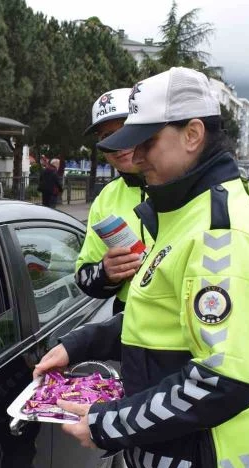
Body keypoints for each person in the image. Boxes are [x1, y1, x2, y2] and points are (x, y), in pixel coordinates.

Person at [34, 67, 249, 468]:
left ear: (192, 135)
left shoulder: (220, 234)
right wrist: (83, 343)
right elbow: (162, 314)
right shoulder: (180, 213)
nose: (132, 155)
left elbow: (223, 380)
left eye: (146, 143)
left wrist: (108, 423)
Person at [75, 87, 151, 315]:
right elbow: (83, 275)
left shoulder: (186, 184)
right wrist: (106, 271)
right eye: (107, 137)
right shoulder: (106, 198)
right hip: (127, 320)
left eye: (126, 129)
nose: (118, 143)